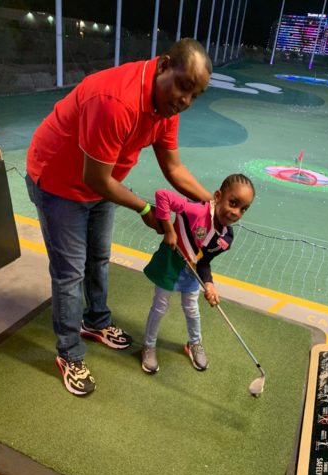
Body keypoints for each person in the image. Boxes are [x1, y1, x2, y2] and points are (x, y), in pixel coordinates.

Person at [25, 38, 213, 396]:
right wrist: (144, 208)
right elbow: (93, 177)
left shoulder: (165, 108)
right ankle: (69, 355)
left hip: (103, 184)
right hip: (58, 181)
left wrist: (214, 207)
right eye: (184, 87)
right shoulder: (116, 101)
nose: (185, 101)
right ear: (163, 65)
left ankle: (95, 321)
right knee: (70, 273)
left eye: (195, 95)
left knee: (99, 257)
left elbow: (173, 167)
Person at [141, 173, 255, 374]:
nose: (236, 212)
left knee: (192, 309)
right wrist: (169, 230)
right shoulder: (196, 209)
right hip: (170, 264)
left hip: (191, 271)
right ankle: (149, 346)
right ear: (218, 196)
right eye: (233, 202)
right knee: (160, 307)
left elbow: (204, 263)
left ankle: (194, 343)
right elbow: (163, 196)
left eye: (243, 209)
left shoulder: (225, 238)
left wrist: (209, 284)